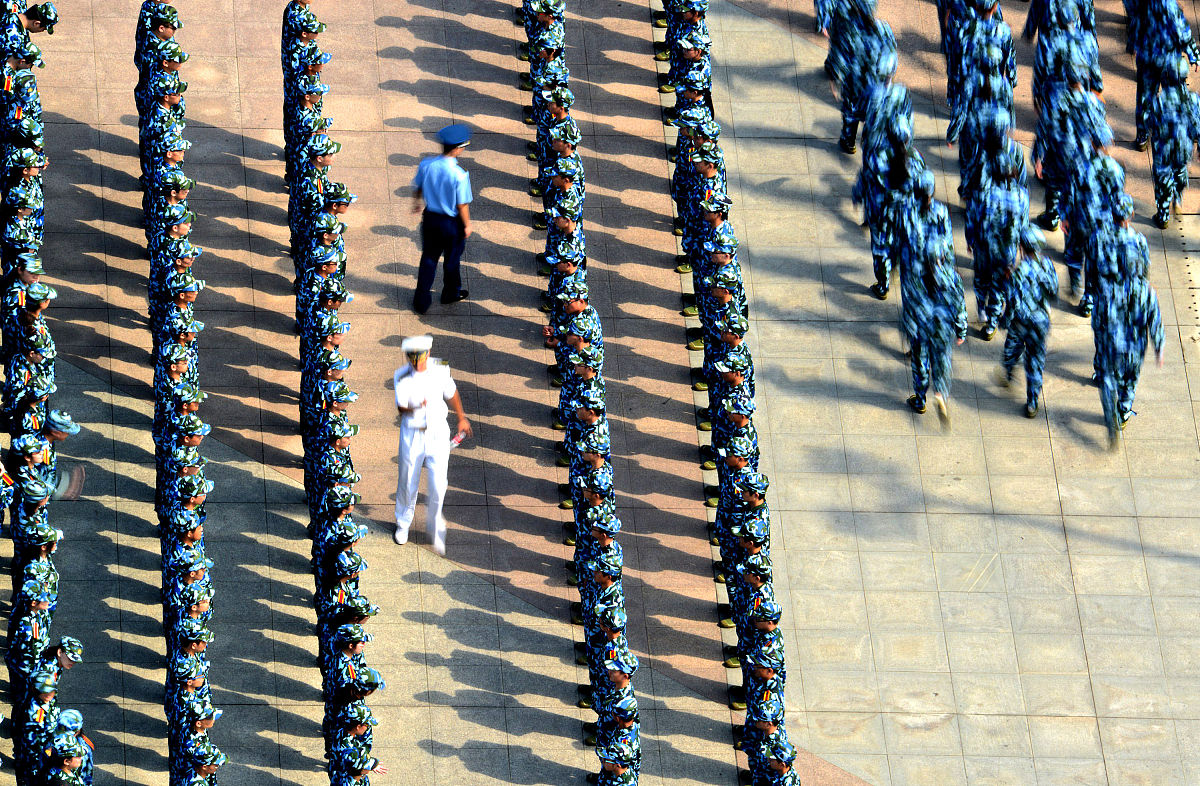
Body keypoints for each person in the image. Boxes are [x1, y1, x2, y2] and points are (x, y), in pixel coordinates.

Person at [392, 334, 471, 554]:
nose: (417, 364)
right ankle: (403, 523)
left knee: (438, 484)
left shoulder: (441, 369)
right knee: (408, 482)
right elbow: (401, 408)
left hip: (437, 432)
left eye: (420, 358)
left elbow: (452, 393)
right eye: (412, 359)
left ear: (428, 354)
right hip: (413, 434)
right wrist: (416, 406)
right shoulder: (401, 376)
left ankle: (436, 525)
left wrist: (461, 417)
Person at [410, 124, 473, 314]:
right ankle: (450, 293)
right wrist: (467, 225)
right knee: (452, 260)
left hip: (430, 218)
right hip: (451, 223)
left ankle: (421, 301)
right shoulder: (459, 175)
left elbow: (418, 186)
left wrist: (416, 203)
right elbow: (462, 205)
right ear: (458, 148)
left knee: (428, 258)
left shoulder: (426, 164)